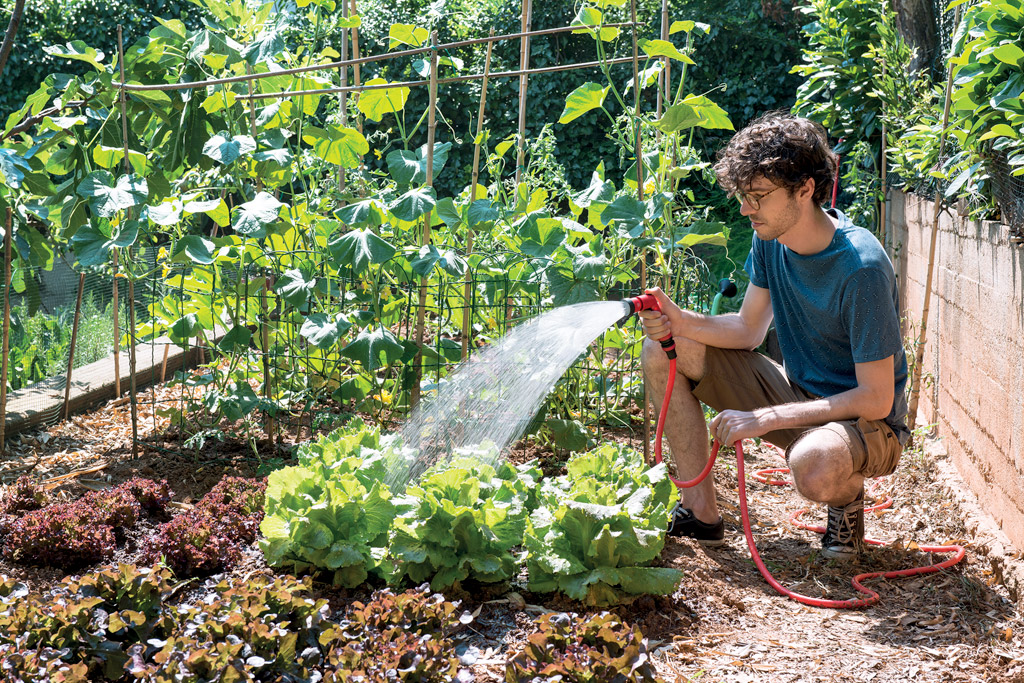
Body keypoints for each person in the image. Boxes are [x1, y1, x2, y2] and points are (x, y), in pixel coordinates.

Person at [639, 112, 909, 560]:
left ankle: (845, 502)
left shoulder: (860, 268)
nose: (746, 210)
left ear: (805, 189)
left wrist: (766, 419)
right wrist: (680, 322)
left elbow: (876, 399)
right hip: (799, 394)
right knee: (662, 349)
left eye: (758, 197)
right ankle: (701, 515)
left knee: (814, 466)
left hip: (868, 425)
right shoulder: (770, 237)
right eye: (744, 196)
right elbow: (747, 329)